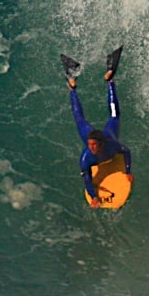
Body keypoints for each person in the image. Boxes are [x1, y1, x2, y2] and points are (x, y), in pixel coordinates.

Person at [63, 46, 132, 207]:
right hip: (90, 133)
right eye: (90, 145)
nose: (91, 147)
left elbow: (126, 151)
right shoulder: (86, 158)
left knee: (115, 115)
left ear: (101, 144)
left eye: (94, 145)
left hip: (109, 132)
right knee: (79, 118)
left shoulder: (112, 144)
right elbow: (87, 180)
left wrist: (128, 172)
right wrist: (94, 196)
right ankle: (72, 87)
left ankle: (110, 80)